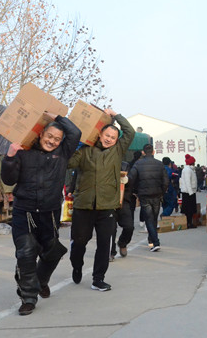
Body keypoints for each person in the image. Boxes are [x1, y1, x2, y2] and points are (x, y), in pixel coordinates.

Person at [1, 112, 81, 315]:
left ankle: (41, 280)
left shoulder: (63, 153)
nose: (52, 141)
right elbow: (9, 180)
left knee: (52, 251)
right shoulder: (23, 151)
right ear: (41, 134)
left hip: (49, 213)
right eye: (49, 136)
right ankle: (28, 298)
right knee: (26, 253)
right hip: (24, 212)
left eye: (57, 139)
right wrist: (10, 157)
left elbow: (75, 132)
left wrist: (57, 116)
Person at [67, 108, 134, 292]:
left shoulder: (118, 151)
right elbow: (69, 163)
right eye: (107, 135)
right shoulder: (85, 151)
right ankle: (77, 265)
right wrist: (73, 145)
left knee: (104, 244)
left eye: (113, 137)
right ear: (100, 134)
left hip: (107, 207)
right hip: (84, 206)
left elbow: (130, 132)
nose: (109, 139)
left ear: (116, 140)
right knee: (79, 242)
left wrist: (116, 116)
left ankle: (98, 279)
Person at [128, 143, 168, 251]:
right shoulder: (159, 164)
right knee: (154, 218)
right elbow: (165, 181)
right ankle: (152, 240)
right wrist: (162, 192)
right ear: (153, 152)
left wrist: (135, 191)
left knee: (149, 219)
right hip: (157, 194)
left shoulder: (138, 164)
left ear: (143, 152)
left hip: (144, 195)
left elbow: (131, 178)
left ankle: (155, 242)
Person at [179, 154, 198, 228]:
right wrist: (191, 192)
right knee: (189, 209)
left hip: (189, 191)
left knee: (190, 209)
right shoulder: (187, 170)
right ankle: (188, 223)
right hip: (188, 192)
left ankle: (189, 222)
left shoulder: (189, 169)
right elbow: (187, 182)